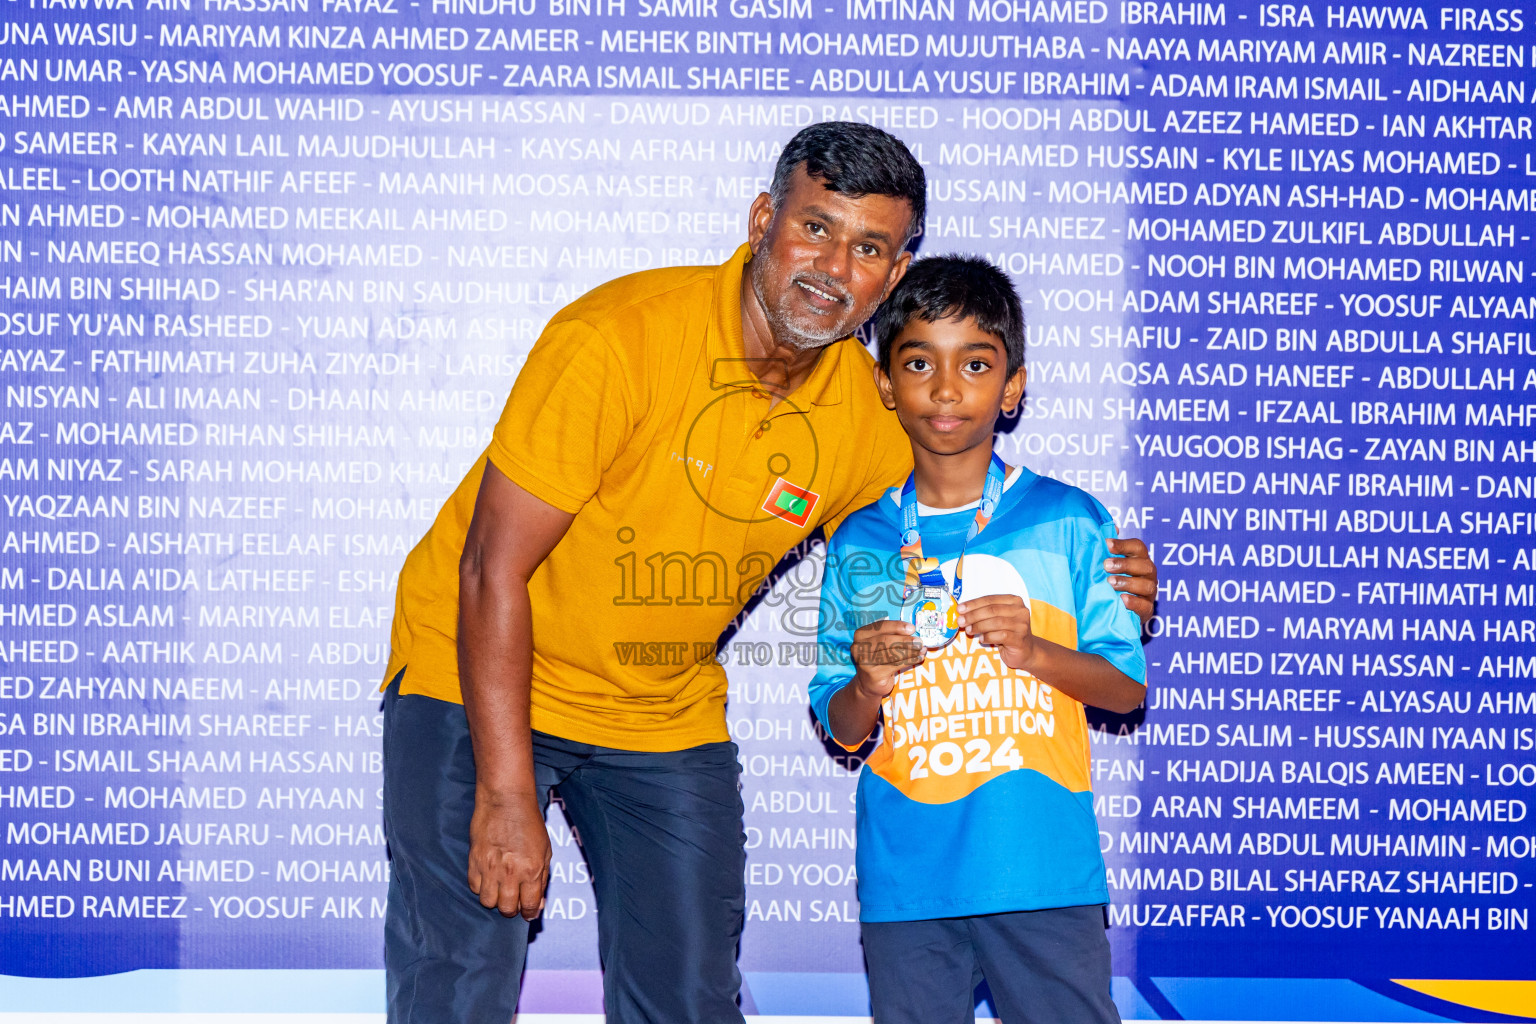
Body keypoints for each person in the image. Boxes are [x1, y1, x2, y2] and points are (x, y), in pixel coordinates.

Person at [380, 122, 1158, 1024]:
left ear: (893, 273)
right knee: (459, 981)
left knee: (692, 998)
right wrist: (506, 793)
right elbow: (489, 569)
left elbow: (956, 501)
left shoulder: (867, 414)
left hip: (658, 709)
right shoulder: (618, 337)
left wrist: (1103, 569)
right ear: (762, 219)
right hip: (474, 671)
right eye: (816, 228)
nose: (834, 266)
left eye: (869, 247)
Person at [808, 255, 1147, 1024]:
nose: (947, 387)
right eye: (920, 362)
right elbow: (842, 722)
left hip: (1040, 872)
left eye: (977, 363)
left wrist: (1034, 653)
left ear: (1013, 386)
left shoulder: (1069, 518)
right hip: (907, 881)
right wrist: (866, 684)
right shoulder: (862, 537)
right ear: (887, 386)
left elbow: (1126, 688)